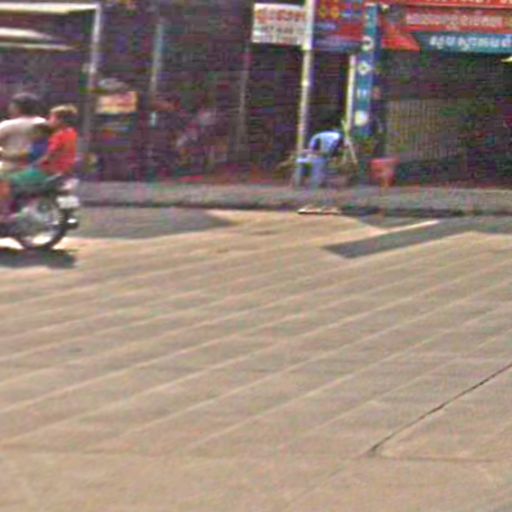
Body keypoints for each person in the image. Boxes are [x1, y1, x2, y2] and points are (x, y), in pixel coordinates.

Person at [0, 104, 78, 217]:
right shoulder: (72, 133)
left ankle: (3, 213)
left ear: (60, 120)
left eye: (52, 117)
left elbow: (48, 155)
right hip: (63, 171)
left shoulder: (58, 136)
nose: (49, 120)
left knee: (5, 180)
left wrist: (33, 165)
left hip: (47, 171)